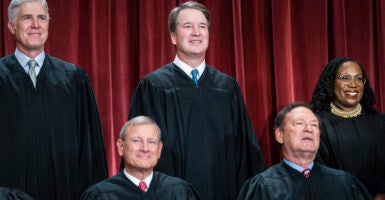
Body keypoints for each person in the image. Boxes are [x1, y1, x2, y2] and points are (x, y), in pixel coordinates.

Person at [126, 1, 265, 199]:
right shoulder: (154, 86)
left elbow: (244, 152)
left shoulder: (226, 87)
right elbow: (141, 152)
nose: (196, 33)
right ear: (173, 36)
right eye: (188, 26)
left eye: (202, 27)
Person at [0, 0, 108, 199]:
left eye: (42, 18)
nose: (36, 24)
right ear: (11, 27)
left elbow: (90, 151)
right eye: (27, 18)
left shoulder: (74, 79)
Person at [237, 102, 372, 200]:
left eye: (314, 125)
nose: (309, 129)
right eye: (300, 123)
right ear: (280, 135)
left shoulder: (345, 183)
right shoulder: (263, 187)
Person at [311, 57, 385, 199]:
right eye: (345, 78)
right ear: (331, 82)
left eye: (359, 79)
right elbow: (317, 176)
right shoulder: (317, 124)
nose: (353, 84)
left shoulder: (381, 122)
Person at [81, 116, 201, 199]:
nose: (145, 148)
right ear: (121, 147)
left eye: (151, 142)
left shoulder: (180, 192)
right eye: (136, 141)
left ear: (159, 149)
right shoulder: (100, 195)